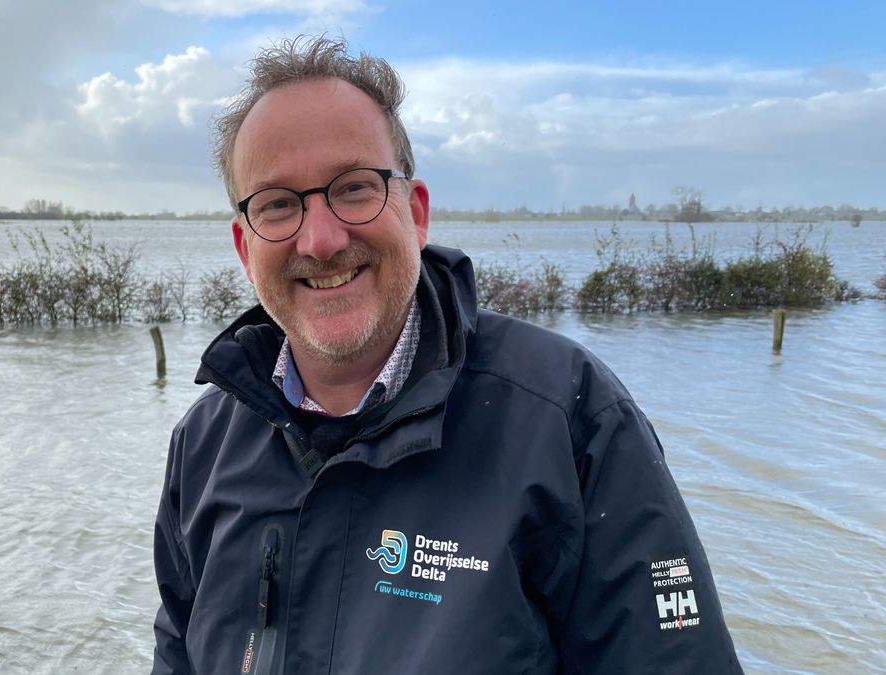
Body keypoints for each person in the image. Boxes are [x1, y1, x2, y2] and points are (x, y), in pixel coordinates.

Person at [152, 35, 742, 674]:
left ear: (416, 211)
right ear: (245, 246)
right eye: (277, 204)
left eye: (353, 188)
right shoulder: (203, 445)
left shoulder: (569, 419)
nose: (320, 240)